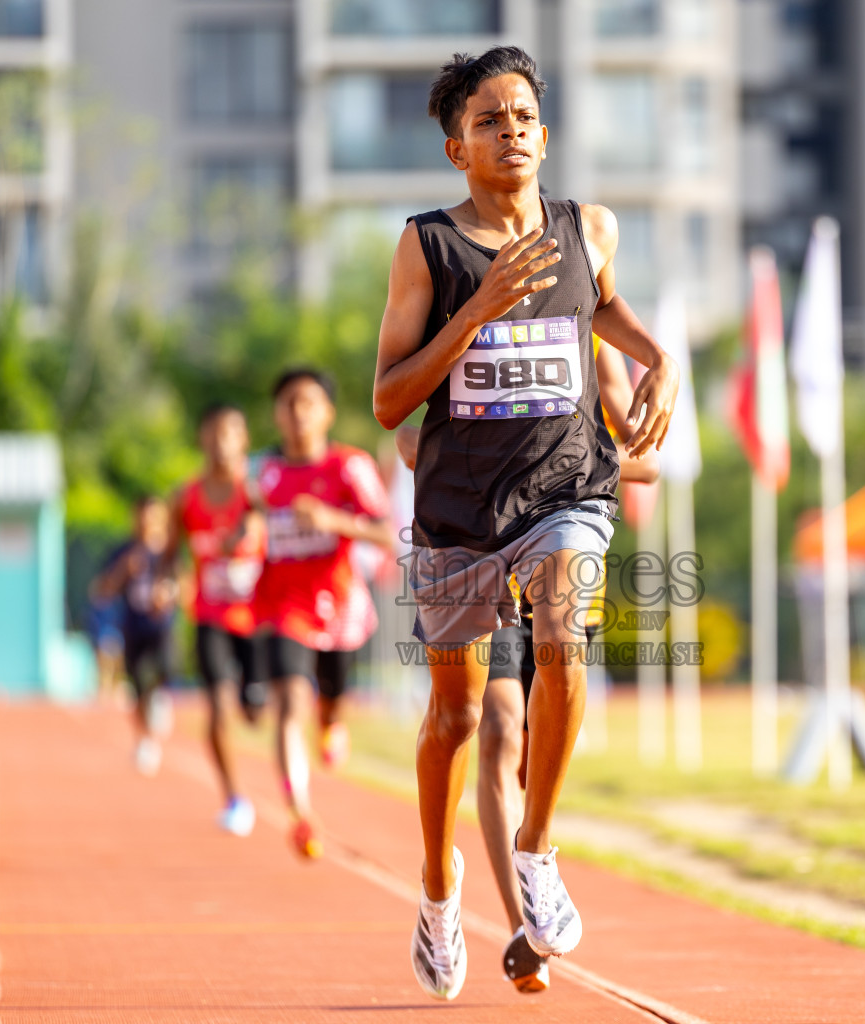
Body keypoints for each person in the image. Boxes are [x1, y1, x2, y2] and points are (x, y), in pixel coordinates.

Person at [372, 47, 677, 1001]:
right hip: (460, 509)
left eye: (524, 116)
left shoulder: (588, 228)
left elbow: (607, 308)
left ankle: (537, 848)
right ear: (457, 147)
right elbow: (387, 401)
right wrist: (477, 313)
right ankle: (436, 888)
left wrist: (660, 357)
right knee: (456, 716)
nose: (510, 129)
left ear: (544, 136)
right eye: (489, 119)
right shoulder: (428, 246)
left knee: (562, 634)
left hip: (566, 492)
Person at [395, 340, 660, 995]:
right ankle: (518, 926)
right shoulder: (462, 308)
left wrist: (566, 464)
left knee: (536, 739)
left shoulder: (585, 329)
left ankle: (534, 852)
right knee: (494, 727)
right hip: (475, 540)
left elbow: (645, 461)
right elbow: (405, 435)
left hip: (560, 537)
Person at [247, 367, 394, 859]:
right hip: (280, 606)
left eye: (308, 403)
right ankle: (301, 814)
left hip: (338, 609)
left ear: (327, 412)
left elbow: (388, 533)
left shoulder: (349, 467)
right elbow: (241, 525)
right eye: (288, 403)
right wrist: (242, 537)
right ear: (276, 414)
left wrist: (332, 520)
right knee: (290, 703)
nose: (298, 413)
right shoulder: (262, 476)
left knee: (328, 703)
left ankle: (331, 721)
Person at [168, 402, 267, 837]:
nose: (222, 443)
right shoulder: (184, 498)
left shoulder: (256, 491)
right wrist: (169, 582)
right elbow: (171, 556)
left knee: (254, 711)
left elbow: (264, 526)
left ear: (243, 440)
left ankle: (255, 700)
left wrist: (246, 535)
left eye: (231, 433)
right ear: (202, 440)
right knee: (218, 709)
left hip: (256, 617)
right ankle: (234, 797)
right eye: (214, 433)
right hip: (209, 616)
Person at [91, 495, 180, 776]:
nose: (146, 524)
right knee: (139, 686)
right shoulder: (123, 552)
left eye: (152, 517)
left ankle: (160, 700)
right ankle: (145, 741)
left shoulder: (170, 552)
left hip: (162, 626)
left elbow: (185, 584)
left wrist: (167, 596)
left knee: (166, 671)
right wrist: (122, 572)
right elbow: (101, 591)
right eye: (141, 517)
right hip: (133, 626)